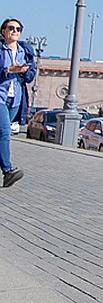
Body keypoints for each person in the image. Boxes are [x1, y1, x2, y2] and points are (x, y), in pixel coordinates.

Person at [0, 18, 37, 188]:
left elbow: (29, 77)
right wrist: (8, 70)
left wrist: (25, 71)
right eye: (11, 28)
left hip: (15, 98)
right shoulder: (1, 50)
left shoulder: (24, 51)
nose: (15, 31)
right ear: (3, 31)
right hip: (0, 95)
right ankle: (8, 171)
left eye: (18, 29)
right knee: (5, 132)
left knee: (2, 134)